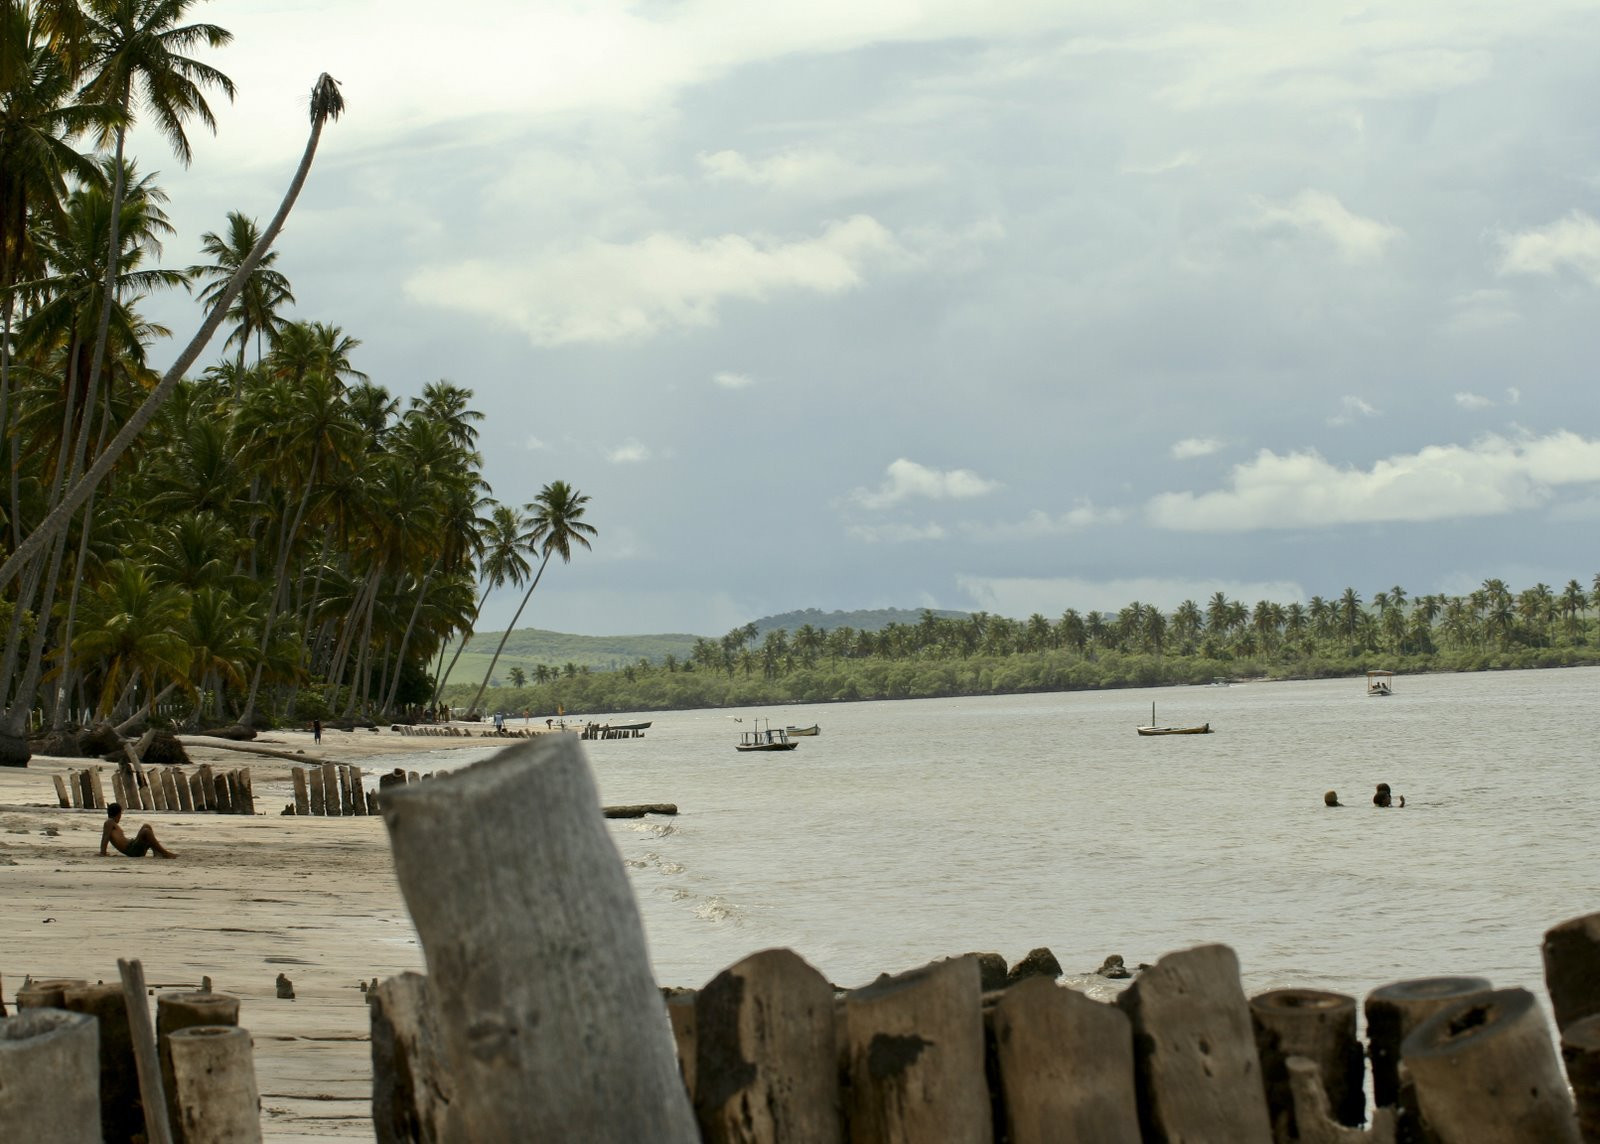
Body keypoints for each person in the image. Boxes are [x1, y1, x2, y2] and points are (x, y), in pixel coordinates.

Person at [99, 803, 176, 859]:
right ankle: (165, 853)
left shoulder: (112, 823)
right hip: (131, 850)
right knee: (146, 831)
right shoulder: (109, 823)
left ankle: (156, 852)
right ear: (118, 814)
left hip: (132, 845)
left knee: (146, 826)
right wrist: (103, 852)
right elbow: (105, 837)